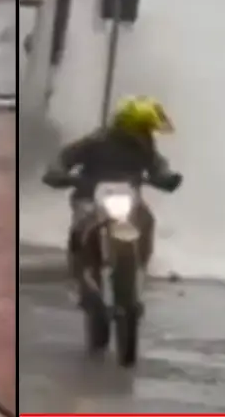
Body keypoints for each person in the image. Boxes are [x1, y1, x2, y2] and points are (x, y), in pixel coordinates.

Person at [42, 95, 183, 297]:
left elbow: (158, 165)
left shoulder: (145, 147)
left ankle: (140, 265)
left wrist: (166, 177)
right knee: (82, 222)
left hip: (128, 197)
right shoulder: (96, 141)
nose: (146, 133)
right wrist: (59, 173)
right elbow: (64, 158)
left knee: (146, 220)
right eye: (143, 128)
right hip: (90, 195)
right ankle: (79, 265)